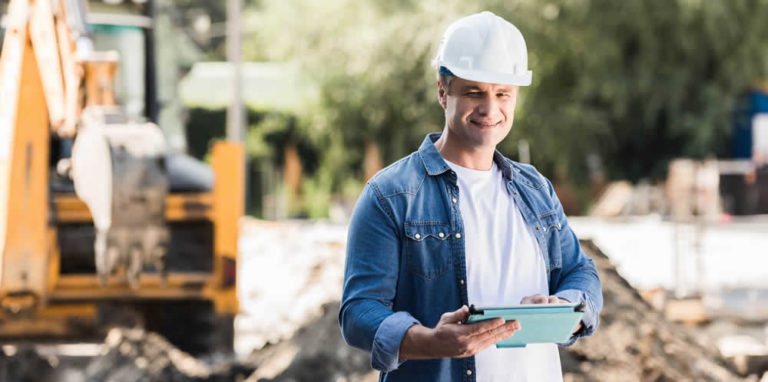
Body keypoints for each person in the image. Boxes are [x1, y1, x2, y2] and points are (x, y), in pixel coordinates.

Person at [339, 11, 602, 382]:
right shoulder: (391, 195)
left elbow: (580, 272)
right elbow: (358, 312)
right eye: (474, 92)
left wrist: (564, 305)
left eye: (502, 94)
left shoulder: (535, 189)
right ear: (442, 91)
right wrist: (430, 341)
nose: (490, 109)